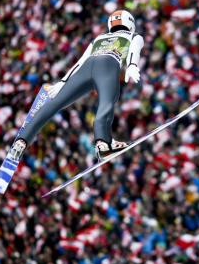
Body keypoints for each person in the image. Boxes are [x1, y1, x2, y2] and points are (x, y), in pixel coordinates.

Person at [10, 10, 144, 162]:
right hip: (108, 64)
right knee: (107, 102)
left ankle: (21, 140)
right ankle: (102, 143)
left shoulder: (99, 38)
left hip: (86, 68)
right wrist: (132, 65)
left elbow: (80, 62)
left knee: (54, 103)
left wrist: (63, 81)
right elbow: (135, 50)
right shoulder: (134, 36)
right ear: (130, 23)